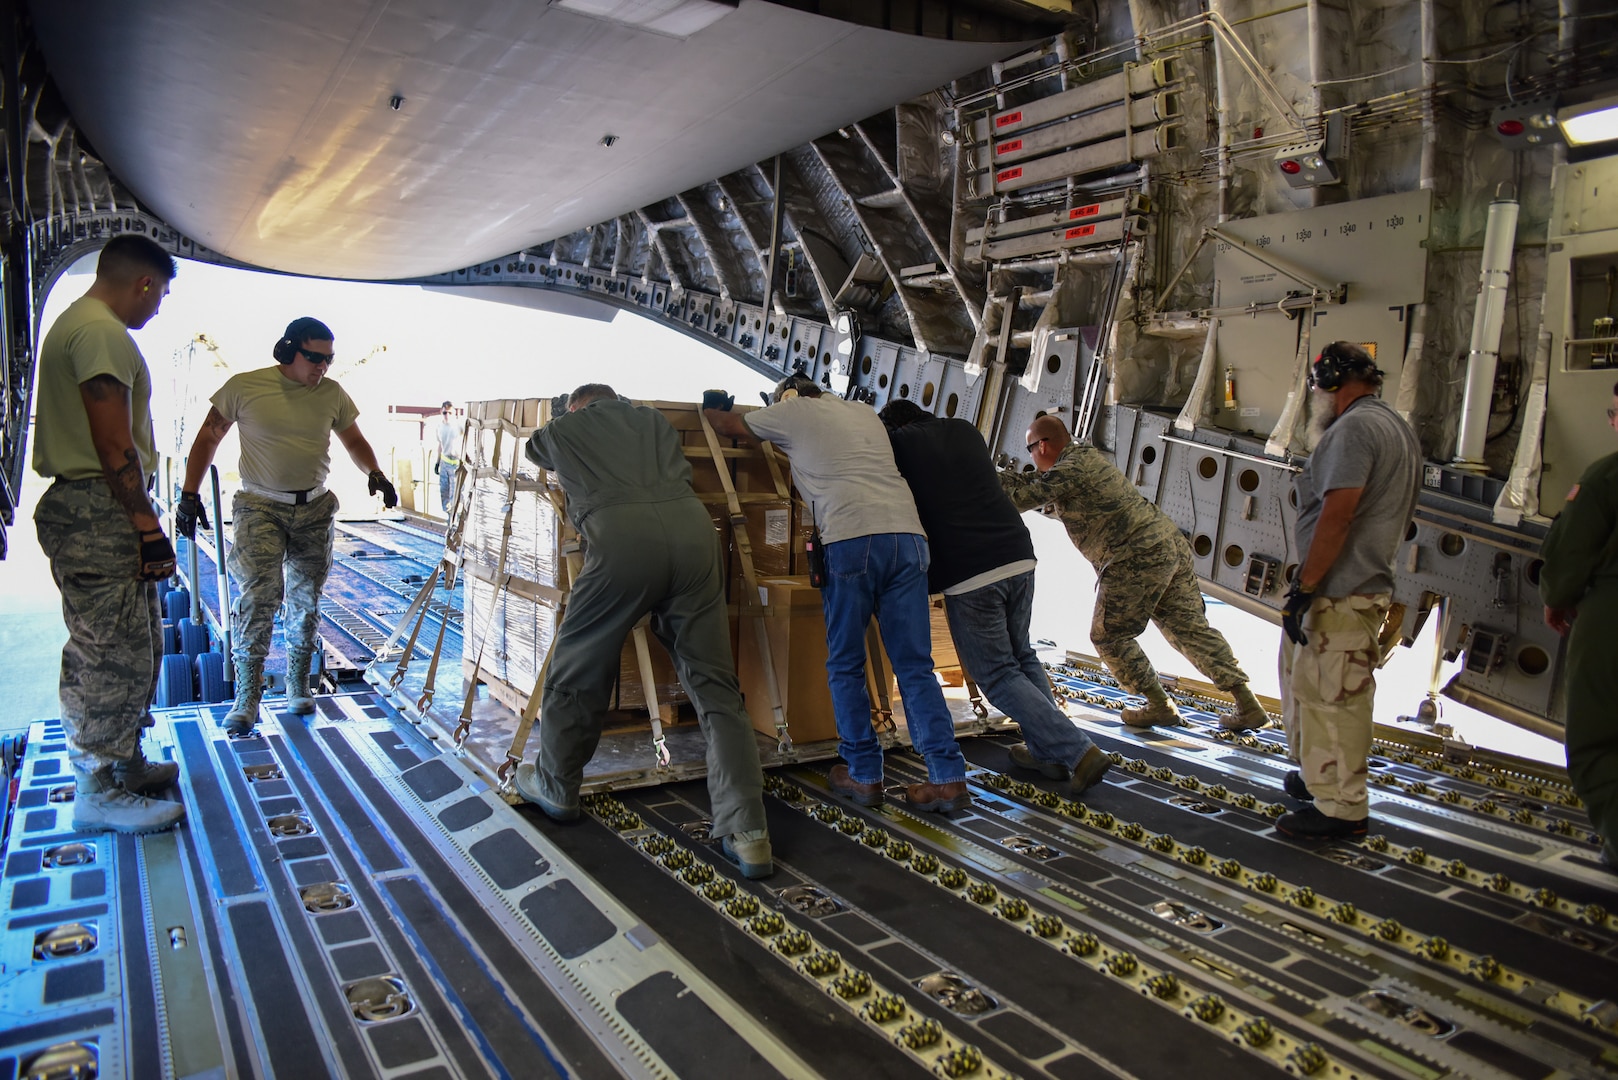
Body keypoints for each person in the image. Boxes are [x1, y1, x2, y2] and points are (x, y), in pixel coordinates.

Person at [516, 384, 772, 877]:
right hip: (694, 536)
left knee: (579, 664)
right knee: (716, 688)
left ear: (577, 406)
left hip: (623, 542)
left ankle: (556, 785)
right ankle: (749, 834)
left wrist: (557, 417)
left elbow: (536, 449)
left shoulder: (569, 424)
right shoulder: (652, 421)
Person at [706, 377, 972, 813]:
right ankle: (948, 778)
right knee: (915, 665)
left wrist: (714, 404)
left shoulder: (791, 411)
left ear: (788, 396)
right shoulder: (864, 413)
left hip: (851, 538)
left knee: (846, 663)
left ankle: (864, 774)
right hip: (908, 538)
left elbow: (729, 425)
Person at [176, 317, 397, 736]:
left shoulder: (331, 393)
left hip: (313, 509)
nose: (322, 368)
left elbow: (353, 439)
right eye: (314, 358)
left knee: (306, 599)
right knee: (259, 598)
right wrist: (189, 494)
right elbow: (208, 439)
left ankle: (298, 684)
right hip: (260, 506)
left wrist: (375, 472)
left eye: (329, 360)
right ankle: (247, 697)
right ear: (287, 350)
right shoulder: (243, 387)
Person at [32, 234, 186, 833]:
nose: (156, 308)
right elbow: (113, 442)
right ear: (143, 283)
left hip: (102, 509)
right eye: (160, 296)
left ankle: (122, 763)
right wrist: (148, 529)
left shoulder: (84, 325)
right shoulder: (100, 333)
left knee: (135, 643)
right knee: (107, 651)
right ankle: (95, 787)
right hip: (100, 511)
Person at [880, 400, 1111, 794]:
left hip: (972, 573)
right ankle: (1047, 752)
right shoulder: (965, 430)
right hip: (1018, 556)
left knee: (998, 674)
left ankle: (1077, 751)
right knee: (1022, 656)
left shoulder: (901, 443)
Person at [1000, 414, 1269, 732]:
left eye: (1030, 449)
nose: (1031, 456)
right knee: (1189, 630)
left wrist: (975, 477)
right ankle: (1247, 703)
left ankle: (1158, 705)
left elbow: (1022, 497)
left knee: (1109, 636)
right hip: (1166, 546)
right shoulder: (1082, 459)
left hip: (1134, 554)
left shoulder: (1071, 467)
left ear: (1042, 445)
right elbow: (1029, 485)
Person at [1272, 342, 1419, 840]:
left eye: (1317, 387)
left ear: (1333, 383)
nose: (1317, 398)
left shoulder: (1353, 429)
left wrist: (1307, 587)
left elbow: (1339, 514)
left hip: (1340, 588)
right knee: (1311, 688)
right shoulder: (1394, 426)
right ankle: (1321, 780)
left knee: (1333, 698)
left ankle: (1341, 809)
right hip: (1354, 585)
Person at [1539, 381, 1618, 874]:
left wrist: (1556, 598)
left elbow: (1569, 553)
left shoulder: (1608, 476)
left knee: (1598, 741)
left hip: (1611, 615)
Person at [434, 400, 461, 516]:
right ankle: (449, 520)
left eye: (450, 413)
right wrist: (437, 462)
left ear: (454, 413)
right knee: (444, 494)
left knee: (456, 495)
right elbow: (440, 444)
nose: (447, 416)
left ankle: (456, 522)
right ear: (441, 412)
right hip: (445, 463)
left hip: (456, 463)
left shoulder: (459, 426)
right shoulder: (439, 427)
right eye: (445, 413)